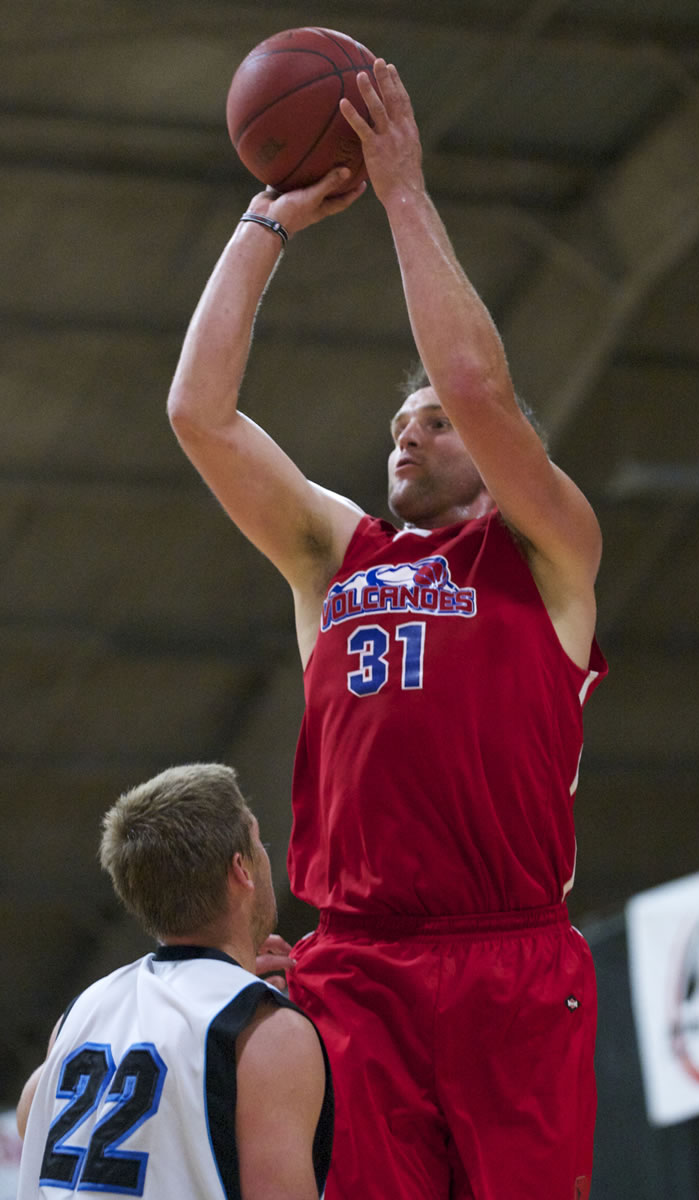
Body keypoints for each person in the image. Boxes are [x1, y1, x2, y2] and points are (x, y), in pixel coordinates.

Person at [167, 58, 607, 1200]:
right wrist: (265, 223)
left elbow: (472, 378)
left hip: (508, 957)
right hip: (355, 962)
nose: (408, 437)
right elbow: (197, 413)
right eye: (396, 426)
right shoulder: (335, 551)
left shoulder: (546, 548)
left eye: (433, 426)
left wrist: (403, 190)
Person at [15, 763, 333, 1200]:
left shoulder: (80, 1013)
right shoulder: (266, 1033)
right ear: (242, 870)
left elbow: (29, 1114)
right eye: (260, 843)